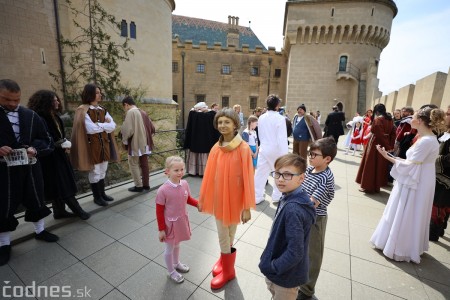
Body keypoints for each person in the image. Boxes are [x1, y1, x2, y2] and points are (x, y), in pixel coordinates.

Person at [370, 106, 446, 263]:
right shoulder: (427, 139)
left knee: (409, 210)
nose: (410, 119)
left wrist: (387, 156)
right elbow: (411, 163)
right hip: (417, 179)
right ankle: (405, 244)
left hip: (417, 181)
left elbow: (410, 165)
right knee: (410, 211)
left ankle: (401, 247)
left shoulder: (426, 141)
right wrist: (390, 156)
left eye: (414, 116)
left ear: (419, 121)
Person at [0, 79, 59, 266]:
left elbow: (47, 141)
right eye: (7, 99)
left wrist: (34, 148)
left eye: (16, 100)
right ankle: (4, 244)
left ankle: (40, 231)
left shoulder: (31, 115)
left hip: (31, 169)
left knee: (36, 199)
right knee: (3, 207)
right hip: (4, 174)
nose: (12, 104)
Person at [198, 108, 256, 289]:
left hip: (236, 198)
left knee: (230, 233)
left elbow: (248, 177)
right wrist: (203, 198)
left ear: (235, 124)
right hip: (219, 197)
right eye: (220, 122)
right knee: (223, 233)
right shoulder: (216, 147)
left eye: (227, 122)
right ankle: (227, 267)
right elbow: (209, 175)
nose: (223, 125)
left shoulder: (243, 148)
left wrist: (247, 207)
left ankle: (226, 263)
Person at [259, 153, 316, 300]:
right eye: (277, 174)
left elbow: (295, 251)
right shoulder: (291, 195)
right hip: (284, 271)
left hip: (285, 278)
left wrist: (273, 267)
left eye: (287, 175)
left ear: (301, 178)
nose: (280, 179)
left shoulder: (293, 209)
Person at [27, 90, 90, 220]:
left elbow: (59, 136)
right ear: (45, 102)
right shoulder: (40, 118)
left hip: (59, 155)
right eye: (53, 100)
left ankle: (59, 211)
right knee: (63, 183)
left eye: (57, 99)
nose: (57, 102)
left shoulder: (54, 116)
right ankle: (78, 210)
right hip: (49, 158)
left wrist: (63, 143)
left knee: (59, 184)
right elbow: (41, 139)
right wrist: (59, 144)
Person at [297, 137, 336, 300]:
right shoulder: (309, 170)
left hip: (315, 220)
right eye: (310, 153)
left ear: (327, 159)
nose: (310, 157)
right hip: (301, 216)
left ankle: (306, 290)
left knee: (313, 255)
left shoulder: (325, 177)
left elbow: (312, 203)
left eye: (314, 154)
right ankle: (299, 279)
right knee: (301, 250)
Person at [70, 83, 119, 206]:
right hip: (92, 147)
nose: (100, 94)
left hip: (104, 145)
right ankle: (96, 197)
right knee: (95, 171)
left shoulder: (102, 109)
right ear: (90, 94)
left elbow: (113, 126)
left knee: (103, 170)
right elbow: (90, 129)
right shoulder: (83, 110)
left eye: (100, 92)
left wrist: (100, 125)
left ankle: (102, 194)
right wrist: (105, 125)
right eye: (97, 92)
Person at [155, 156, 199, 283]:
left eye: (182, 169)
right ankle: (171, 271)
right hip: (170, 225)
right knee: (169, 247)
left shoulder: (184, 184)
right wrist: (161, 230)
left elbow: (188, 199)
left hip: (181, 221)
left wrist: (197, 204)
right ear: (167, 171)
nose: (180, 172)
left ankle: (176, 263)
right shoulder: (163, 190)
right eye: (176, 170)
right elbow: (159, 211)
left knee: (178, 243)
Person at [254, 95, 289, 204]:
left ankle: (256, 196)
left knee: (260, 173)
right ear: (277, 105)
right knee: (278, 173)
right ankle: (276, 196)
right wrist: (285, 155)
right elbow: (282, 138)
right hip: (276, 149)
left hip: (264, 148)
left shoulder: (261, 117)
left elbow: (260, 134)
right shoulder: (280, 118)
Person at [356, 103, 396, 193]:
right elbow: (393, 134)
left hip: (376, 144)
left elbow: (379, 134)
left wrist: (387, 145)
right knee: (379, 165)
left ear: (376, 111)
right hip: (384, 145)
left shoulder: (378, 119)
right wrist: (390, 146)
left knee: (371, 165)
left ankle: (367, 186)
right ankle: (376, 185)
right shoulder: (390, 120)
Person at [120, 96, 155, 192]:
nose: (125, 109)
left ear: (126, 104)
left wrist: (124, 141)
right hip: (146, 143)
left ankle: (138, 186)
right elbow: (152, 128)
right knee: (144, 164)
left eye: (124, 107)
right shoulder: (143, 112)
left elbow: (127, 130)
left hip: (136, 143)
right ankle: (146, 185)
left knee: (133, 163)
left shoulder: (131, 112)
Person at [429, 105, 450, 241]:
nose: (445, 116)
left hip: (445, 177)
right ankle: (438, 229)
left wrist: (433, 160)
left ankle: (433, 233)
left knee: (439, 205)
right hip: (437, 176)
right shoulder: (445, 133)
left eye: (448, 114)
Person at [184, 102, 220, 176]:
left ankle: (193, 170)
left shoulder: (193, 115)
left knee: (196, 153)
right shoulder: (210, 115)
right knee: (205, 155)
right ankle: (204, 171)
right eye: (204, 107)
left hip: (195, 141)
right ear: (200, 108)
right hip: (206, 141)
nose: (206, 108)